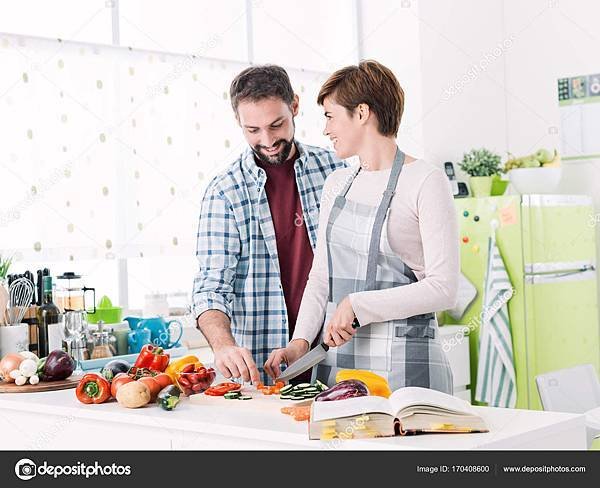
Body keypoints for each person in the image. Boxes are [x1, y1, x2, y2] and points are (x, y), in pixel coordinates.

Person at [264, 60, 459, 393]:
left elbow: (444, 288)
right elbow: (321, 276)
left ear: (362, 113)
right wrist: (300, 342)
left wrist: (358, 305)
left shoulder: (426, 181)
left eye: (330, 116)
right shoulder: (337, 183)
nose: (326, 130)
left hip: (407, 367)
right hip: (340, 364)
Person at [192, 65, 347, 384]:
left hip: (337, 358)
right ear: (239, 122)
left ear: (295, 106)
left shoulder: (335, 170)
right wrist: (224, 347)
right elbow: (211, 287)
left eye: (276, 124)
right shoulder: (225, 192)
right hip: (264, 371)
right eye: (253, 130)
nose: (268, 140)